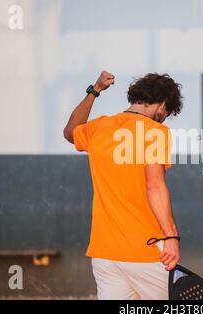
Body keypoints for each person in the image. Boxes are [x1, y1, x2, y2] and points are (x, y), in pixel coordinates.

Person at [63, 70, 183, 300]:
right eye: (167, 112)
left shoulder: (99, 128)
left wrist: (94, 91)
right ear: (163, 103)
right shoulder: (155, 132)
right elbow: (155, 186)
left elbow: (70, 131)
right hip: (146, 251)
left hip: (105, 255)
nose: (165, 117)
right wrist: (171, 237)